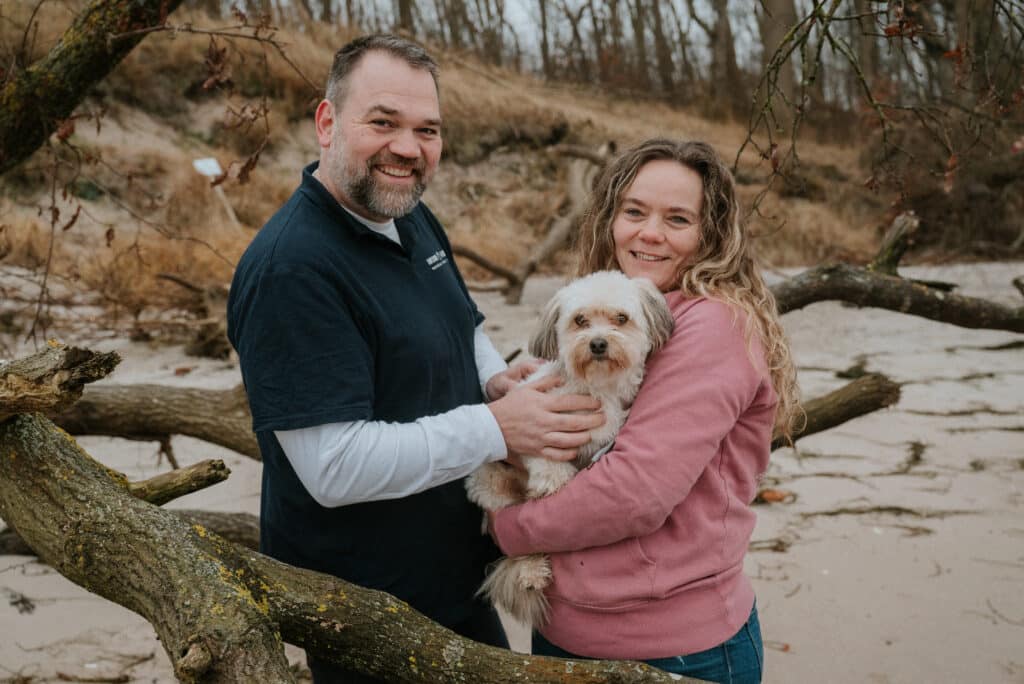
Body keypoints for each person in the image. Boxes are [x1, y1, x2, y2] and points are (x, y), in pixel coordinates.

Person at [226, 34, 603, 682]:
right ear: (327, 123)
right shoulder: (293, 269)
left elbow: (462, 322)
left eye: (427, 130)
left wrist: (493, 377)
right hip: (366, 611)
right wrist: (497, 427)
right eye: (383, 122)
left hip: (454, 576)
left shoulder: (407, 214)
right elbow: (332, 468)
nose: (408, 147)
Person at [488, 139, 802, 684]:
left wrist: (508, 528)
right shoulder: (617, 304)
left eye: (677, 219)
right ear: (610, 219)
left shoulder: (712, 325)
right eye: (634, 212)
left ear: (710, 233)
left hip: (672, 649)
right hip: (567, 630)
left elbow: (632, 494)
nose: (649, 233)